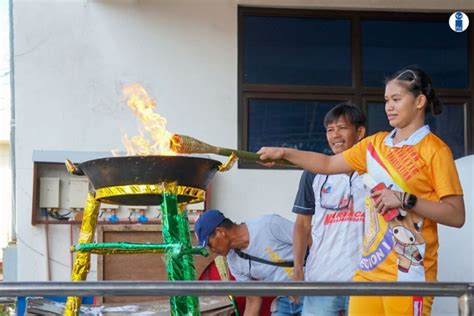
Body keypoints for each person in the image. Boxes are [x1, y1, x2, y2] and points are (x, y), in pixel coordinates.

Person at [258, 66, 465, 316]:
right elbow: (327, 164)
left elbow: (456, 215)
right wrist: (284, 153)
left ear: (420, 101)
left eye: (397, 99)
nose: (389, 106)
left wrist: (405, 200)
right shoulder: (374, 145)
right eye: (387, 100)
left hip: (409, 275)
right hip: (368, 273)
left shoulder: (435, 150)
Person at [292, 103, 366, 316]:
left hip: (367, 280)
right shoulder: (314, 173)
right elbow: (302, 224)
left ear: (359, 132)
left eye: (342, 128)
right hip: (321, 279)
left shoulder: (376, 170)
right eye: (330, 130)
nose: (335, 135)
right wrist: (298, 268)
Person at [195, 209, 303, 316]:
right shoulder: (233, 261)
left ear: (220, 232)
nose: (211, 250)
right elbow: (253, 299)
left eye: (209, 244)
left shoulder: (269, 225)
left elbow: (309, 240)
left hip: (311, 289)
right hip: (284, 299)